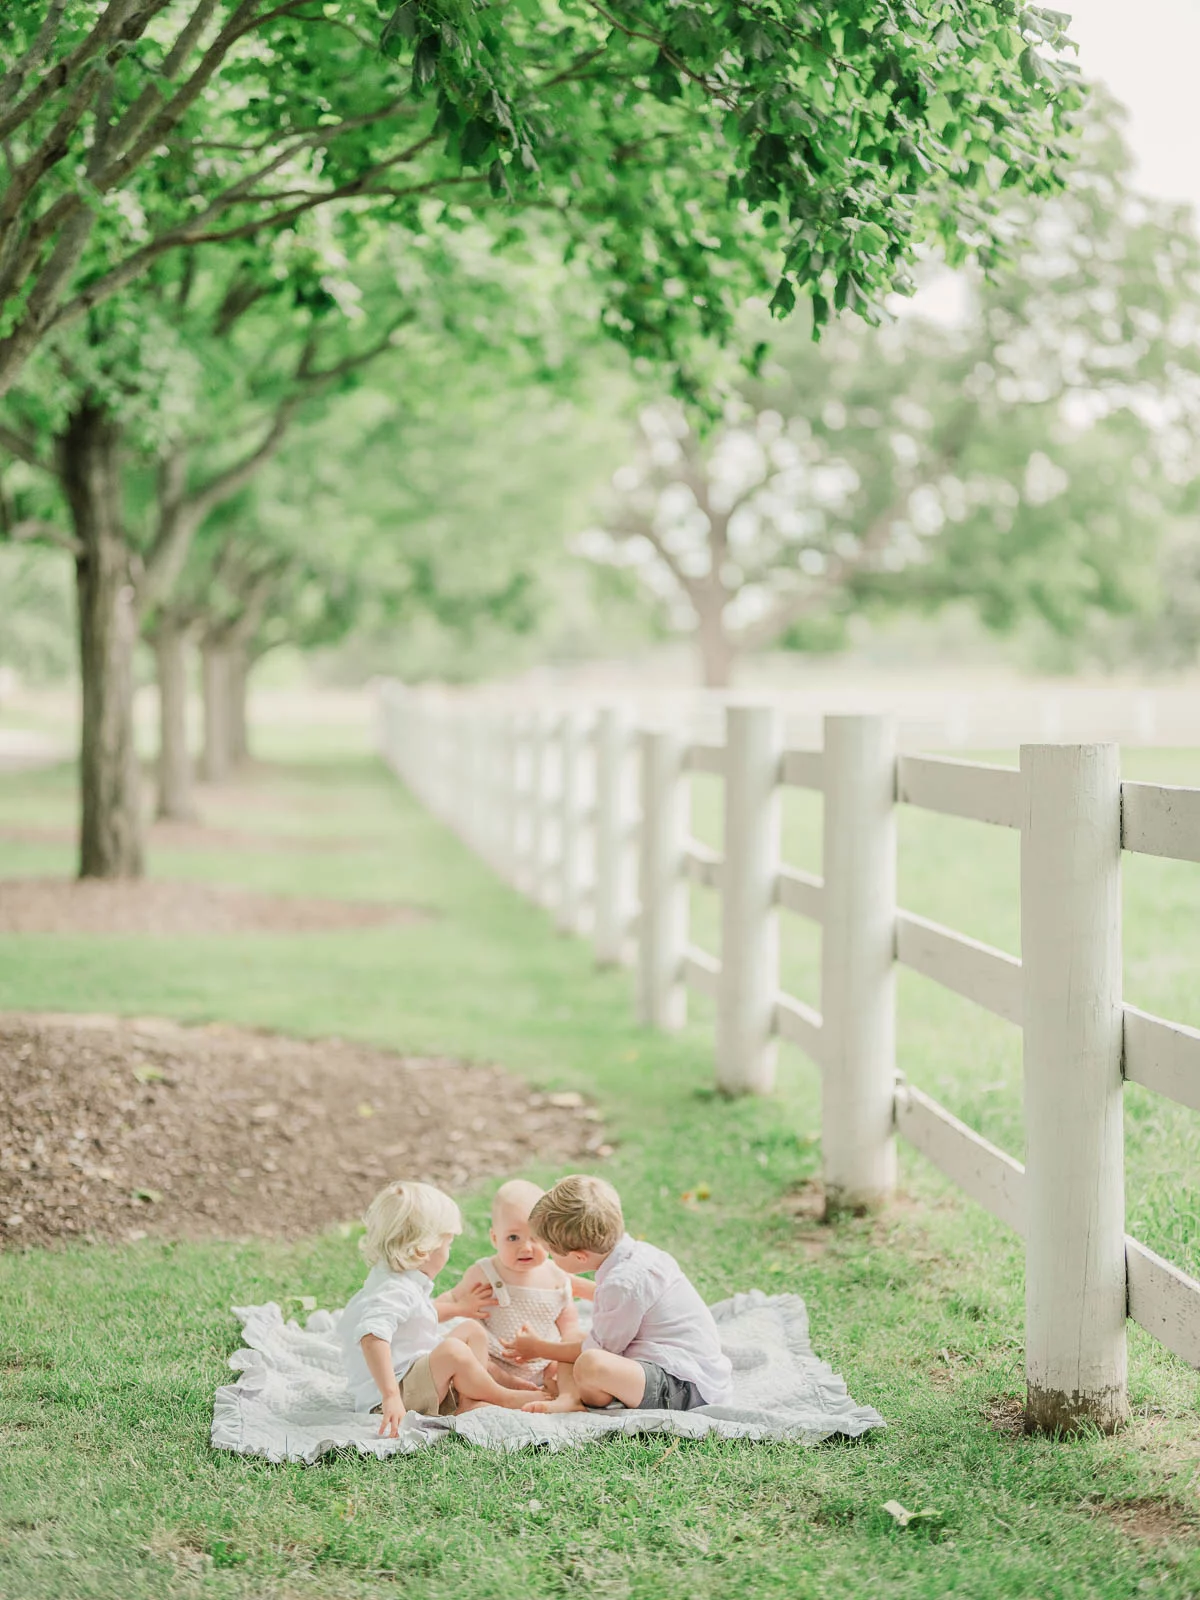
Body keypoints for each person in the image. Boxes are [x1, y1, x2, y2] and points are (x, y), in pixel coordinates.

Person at [501, 1173, 734, 1414]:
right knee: (574, 1340)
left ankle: (579, 1395)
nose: (549, 1256)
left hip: (681, 1388)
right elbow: (627, 1304)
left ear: (579, 1256)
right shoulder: (638, 1256)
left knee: (590, 1363)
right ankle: (570, 1397)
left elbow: (599, 1349)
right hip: (689, 1372)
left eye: (551, 1252)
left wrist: (537, 1348)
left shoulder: (621, 1285)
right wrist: (578, 1286)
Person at [338, 1179, 546, 1435]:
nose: (448, 1253)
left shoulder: (396, 1278)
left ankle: (470, 1399)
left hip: (412, 1378)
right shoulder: (394, 1290)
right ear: (422, 1249)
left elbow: (416, 1318)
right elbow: (372, 1337)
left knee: (470, 1330)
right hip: (391, 1398)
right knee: (452, 1351)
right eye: (446, 1245)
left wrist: (459, 1308)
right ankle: (502, 1397)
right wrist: (390, 1396)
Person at [439, 1178, 581, 1388]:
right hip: (495, 1356)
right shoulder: (485, 1273)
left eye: (535, 1238)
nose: (526, 1248)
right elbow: (450, 1299)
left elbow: (568, 1320)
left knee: (571, 1357)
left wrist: (564, 1346)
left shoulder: (556, 1276)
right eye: (513, 1238)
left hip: (543, 1356)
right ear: (495, 1238)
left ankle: (555, 1386)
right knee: (469, 1356)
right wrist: (453, 1307)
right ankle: (506, 1385)